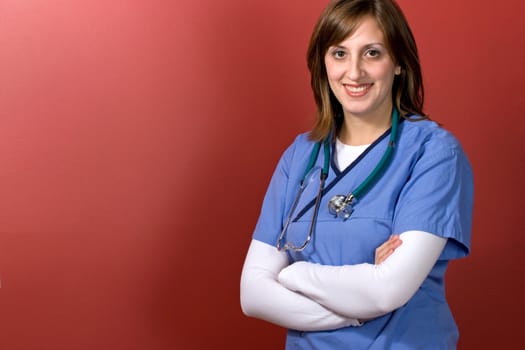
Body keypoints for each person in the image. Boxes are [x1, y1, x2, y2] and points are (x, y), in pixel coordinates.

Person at [240, 0, 474, 349]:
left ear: (398, 63)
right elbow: (253, 294)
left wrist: (294, 275)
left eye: (372, 53)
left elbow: (388, 290)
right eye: (339, 53)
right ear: (323, 63)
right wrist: (356, 308)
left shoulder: (433, 152)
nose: (354, 72)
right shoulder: (301, 156)